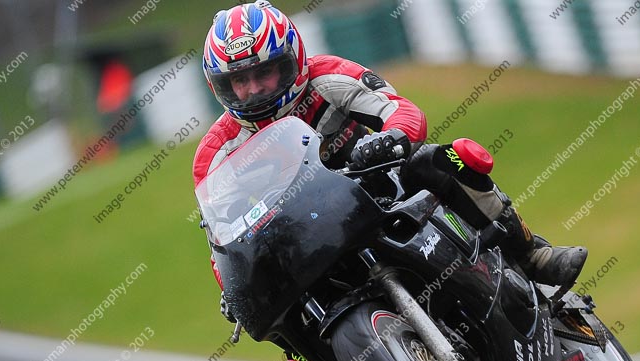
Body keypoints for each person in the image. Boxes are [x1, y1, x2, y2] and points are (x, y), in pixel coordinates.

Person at [193, 1, 587, 328]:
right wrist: (232, 292)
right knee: (271, 315)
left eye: (264, 71)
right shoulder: (215, 153)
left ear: (292, 59)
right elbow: (221, 240)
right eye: (239, 81)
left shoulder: (328, 75)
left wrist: (392, 137)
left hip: (379, 185)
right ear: (220, 86)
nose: (254, 89)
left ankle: (531, 254)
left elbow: (399, 109)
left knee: (444, 156)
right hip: (303, 240)